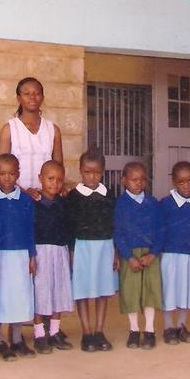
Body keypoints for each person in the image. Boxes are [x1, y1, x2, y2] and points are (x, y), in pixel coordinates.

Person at [65, 149, 116, 352]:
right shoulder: (73, 197)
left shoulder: (108, 195)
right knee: (83, 291)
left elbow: (114, 224)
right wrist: (71, 252)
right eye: (87, 172)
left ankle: (99, 331)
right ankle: (87, 332)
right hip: (82, 248)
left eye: (96, 173)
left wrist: (116, 252)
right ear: (80, 171)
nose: (92, 177)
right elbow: (69, 226)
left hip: (104, 247)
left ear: (102, 172)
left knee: (103, 291)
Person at [0, 154, 37, 360]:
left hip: (20, 256)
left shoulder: (25, 200)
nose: (7, 178)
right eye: (2, 174)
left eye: (11, 174)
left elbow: (30, 229)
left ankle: (17, 339)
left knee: (19, 296)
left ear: (18, 174)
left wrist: (32, 255)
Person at [113, 161, 162, 349]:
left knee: (150, 291)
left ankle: (149, 330)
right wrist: (128, 256)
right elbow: (118, 233)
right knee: (130, 292)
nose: (138, 183)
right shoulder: (120, 204)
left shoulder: (153, 203)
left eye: (142, 179)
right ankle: (134, 330)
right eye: (134, 179)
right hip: (130, 255)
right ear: (124, 180)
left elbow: (160, 230)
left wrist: (153, 254)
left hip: (150, 255)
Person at [32, 160, 74, 353]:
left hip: (60, 252)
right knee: (41, 292)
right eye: (50, 179)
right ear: (40, 178)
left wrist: (70, 253)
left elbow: (69, 229)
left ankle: (55, 331)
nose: (54, 183)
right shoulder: (33, 203)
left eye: (59, 180)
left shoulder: (63, 203)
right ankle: (39, 334)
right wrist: (31, 256)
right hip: (40, 253)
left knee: (59, 290)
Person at [158, 161, 190, 345]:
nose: (186, 185)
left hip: (189, 255)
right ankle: (168, 327)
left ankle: (181, 326)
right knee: (169, 291)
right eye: (181, 182)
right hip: (170, 255)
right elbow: (159, 229)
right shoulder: (166, 204)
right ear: (174, 182)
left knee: (186, 291)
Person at [0, 77, 64, 197]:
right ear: (19, 98)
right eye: (26, 94)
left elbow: (58, 168)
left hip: (46, 198)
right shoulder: (9, 129)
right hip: (17, 196)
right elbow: (1, 168)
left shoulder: (53, 129)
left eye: (37, 93)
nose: (32, 97)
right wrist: (24, 192)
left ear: (42, 97)